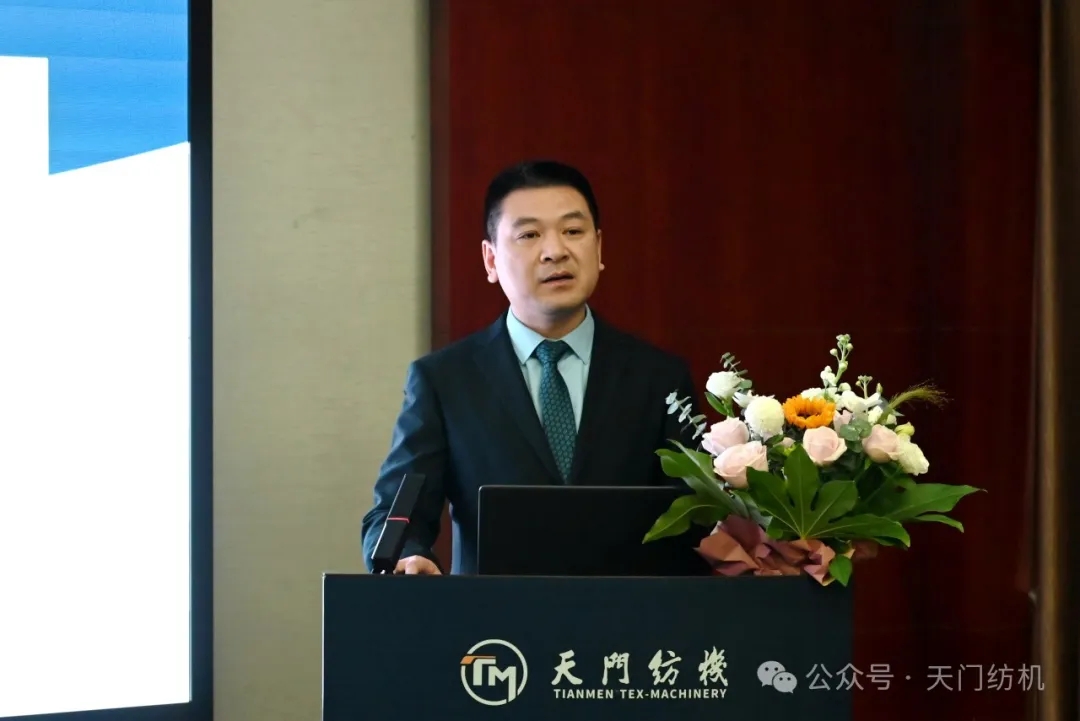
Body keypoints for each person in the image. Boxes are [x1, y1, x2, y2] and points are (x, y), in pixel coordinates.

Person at [360, 159, 699, 575]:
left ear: (598, 247)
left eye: (572, 231)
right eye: (529, 235)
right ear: (490, 260)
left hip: (628, 614)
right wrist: (408, 555)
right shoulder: (445, 381)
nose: (555, 251)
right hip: (492, 616)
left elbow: (696, 519)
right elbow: (395, 513)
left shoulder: (659, 378)